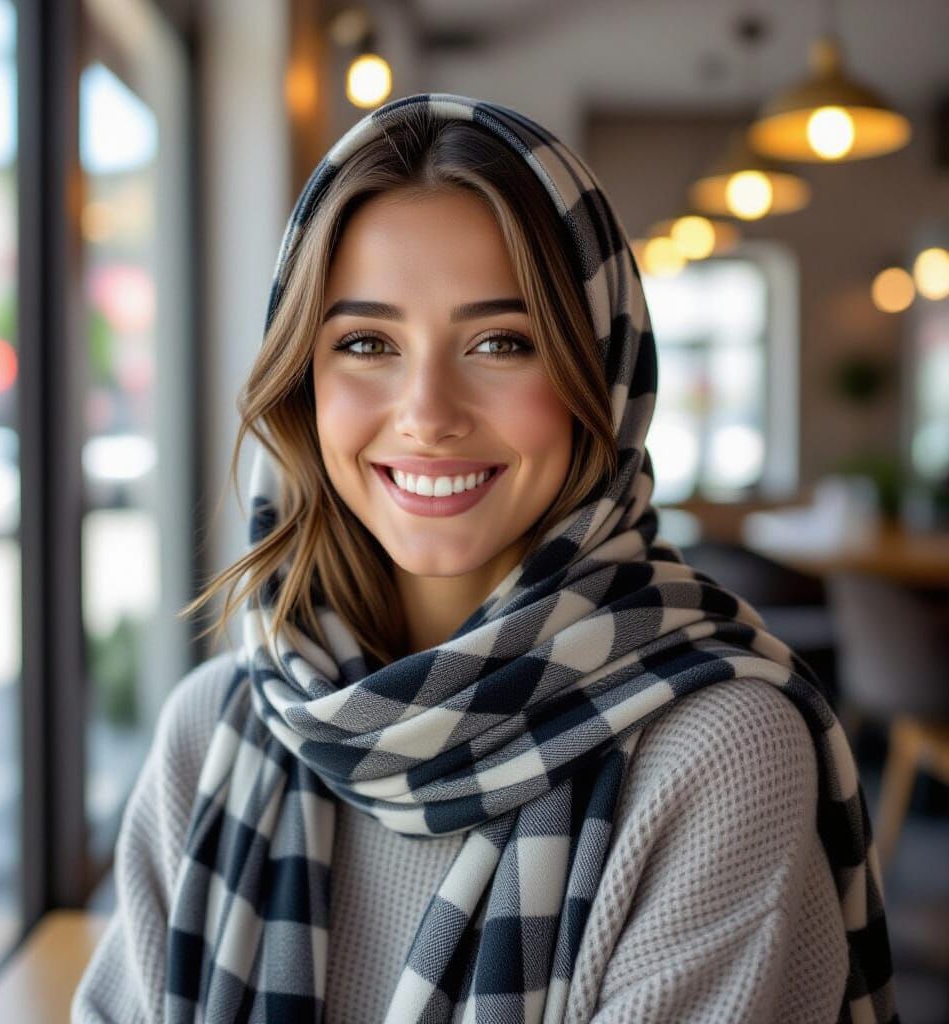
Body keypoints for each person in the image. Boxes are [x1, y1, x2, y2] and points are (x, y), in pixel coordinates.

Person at [72, 94, 897, 1023]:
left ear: (603, 378)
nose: (427, 413)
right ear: (302, 384)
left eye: (502, 342)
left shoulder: (718, 749)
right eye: (366, 343)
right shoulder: (217, 728)